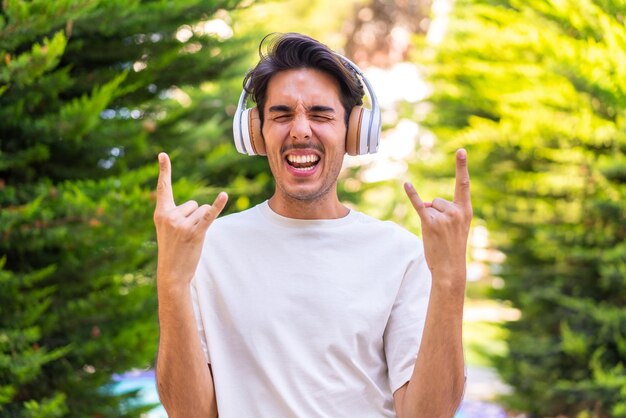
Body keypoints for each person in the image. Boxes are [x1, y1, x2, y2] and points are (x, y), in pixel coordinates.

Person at [153, 33, 471, 418]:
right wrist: (171, 282)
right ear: (255, 132)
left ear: (354, 131)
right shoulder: (207, 248)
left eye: (320, 114)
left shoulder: (401, 254)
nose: (301, 130)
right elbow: (190, 414)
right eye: (282, 115)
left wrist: (451, 279)